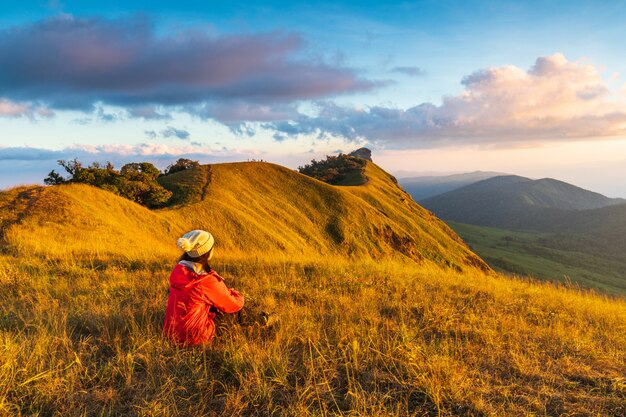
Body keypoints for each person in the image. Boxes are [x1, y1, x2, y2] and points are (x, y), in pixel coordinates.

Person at [163, 230, 244, 346]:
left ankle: (262, 319)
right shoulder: (205, 279)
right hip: (194, 338)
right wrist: (237, 294)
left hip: (170, 334)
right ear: (207, 253)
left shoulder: (178, 271)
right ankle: (263, 320)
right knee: (235, 311)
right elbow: (233, 304)